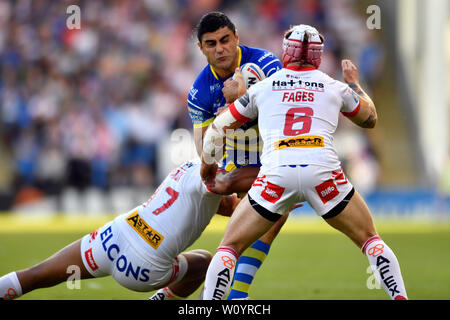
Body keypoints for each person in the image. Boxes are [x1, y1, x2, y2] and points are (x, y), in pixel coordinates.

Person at [200, 24, 408, 300]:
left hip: (276, 172)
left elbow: (217, 130)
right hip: (323, 171)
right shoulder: (334, 87)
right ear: (318, 56)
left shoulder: (262, 88)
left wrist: (208, 170)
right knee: (370, 239)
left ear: (286, 51)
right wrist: (354, 83)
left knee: (229, 247)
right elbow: (370, 118)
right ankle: (400, 297)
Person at [0, 160, 246, 300]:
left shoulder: (186, 167)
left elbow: (210, 201)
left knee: (36, 275)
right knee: (205, 263)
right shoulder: (214, 175)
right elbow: (227, 198)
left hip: (114, 236)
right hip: (145, 265)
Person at [187, 12, 289, 300]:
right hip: (238, 164)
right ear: (201, 48)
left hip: (275, 154)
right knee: (264, 214)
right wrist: (213, 178)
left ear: (236, 38)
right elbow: (205, 147)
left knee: (271, 212)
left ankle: (232, 295)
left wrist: (242, 100)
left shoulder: (267, 63)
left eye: (224, 40)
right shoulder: (198, 92)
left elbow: (284, 112)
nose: (219, 49)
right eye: (211, 44)